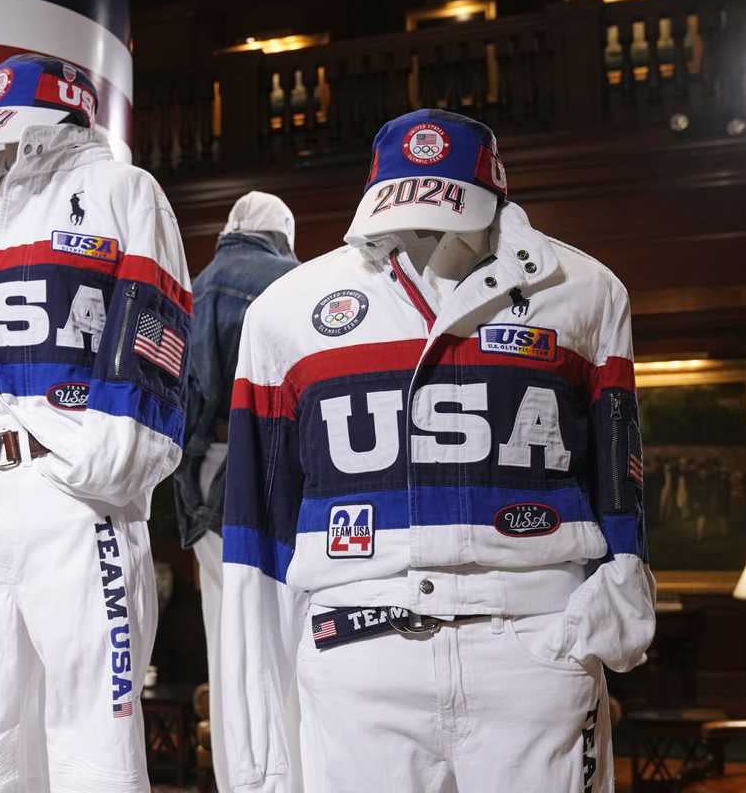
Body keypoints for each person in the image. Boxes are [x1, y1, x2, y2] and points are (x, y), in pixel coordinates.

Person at [221, 109, 655, 792]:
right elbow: (257, 529)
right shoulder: (286, 311)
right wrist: (259, 761)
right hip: (357, 658)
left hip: (533, 648)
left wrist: (618, 598)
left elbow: (620, 474)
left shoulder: (585, 291)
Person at [0, 53, 191, 792]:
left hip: (71, 498)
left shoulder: (124, 191)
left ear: (64, 119)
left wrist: (100, 469)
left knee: (95, 746)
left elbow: (154, 330)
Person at [173, 190, 301, 792]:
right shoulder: (294, 285)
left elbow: (183, 400)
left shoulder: (194, 289)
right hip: (273, 472)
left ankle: (238, 779)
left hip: (208, 473)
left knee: (226, 639)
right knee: (283, 636)